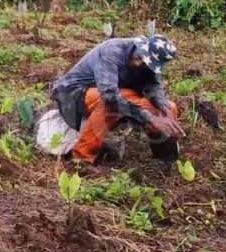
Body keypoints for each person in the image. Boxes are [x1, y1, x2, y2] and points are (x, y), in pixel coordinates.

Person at [51, 35, 184, 163]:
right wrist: (151, 118)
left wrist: (163, 108)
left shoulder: (150, 60)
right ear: (139, 46)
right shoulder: (113, 50)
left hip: (120, 93)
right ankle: (81, 159)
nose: (138, 64)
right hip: (74, 94)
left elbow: (153, 86)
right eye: (139, 57)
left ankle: (165, 160)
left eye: (145, 64)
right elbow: (110, 97)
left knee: (169, 108)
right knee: (109, 106)